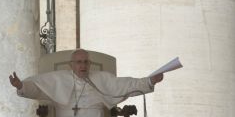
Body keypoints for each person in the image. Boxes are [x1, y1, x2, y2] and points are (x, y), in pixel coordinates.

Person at [9, 49, 163, 117]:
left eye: (86, 62)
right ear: (71, 64)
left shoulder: (102, 78)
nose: (83, 65)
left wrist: (149, 81)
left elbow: (127, 85)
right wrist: (21, 86)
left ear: (90, 64)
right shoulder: (57, 78)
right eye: (78, 62)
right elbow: (37, 87)